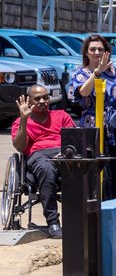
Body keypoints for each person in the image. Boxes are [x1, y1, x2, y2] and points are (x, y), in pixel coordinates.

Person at [11, 86, 74, 238]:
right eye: (37, 98)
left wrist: (65, 151)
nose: (42, 101)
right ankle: (53, 222)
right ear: (29, 100)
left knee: (84, 166)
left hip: (62, 152)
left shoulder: (61, 116)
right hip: (39, 155)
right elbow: (20, 147)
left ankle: (78, 219)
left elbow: (73, 137)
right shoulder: (20, 121)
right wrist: (24, 119)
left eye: (45, 97)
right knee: (46, 168)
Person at [67, 34, 116, 138]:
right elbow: (84, 92)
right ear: (86, 52)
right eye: (92, 49)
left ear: (105, 52)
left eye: (100, 49)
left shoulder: (115, 73)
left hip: (115, 124)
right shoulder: (80, 74)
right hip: (92, 126)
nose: (97, 52)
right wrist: (96, 73)